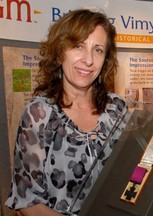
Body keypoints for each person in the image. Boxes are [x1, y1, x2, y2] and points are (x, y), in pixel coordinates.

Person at [5, 8, 129, 216]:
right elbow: (27, 203)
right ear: (60, 51)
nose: (88, 60)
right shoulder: (39, 114)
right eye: (78, 46)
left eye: (98, 50)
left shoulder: (117, 109)